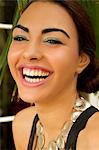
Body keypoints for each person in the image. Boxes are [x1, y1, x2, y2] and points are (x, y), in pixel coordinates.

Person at [8, 0, 99, 150]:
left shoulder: (94, 139)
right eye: (20, 38)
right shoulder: (22, 125)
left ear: (81, 60)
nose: (30, 53)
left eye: (52, 40)